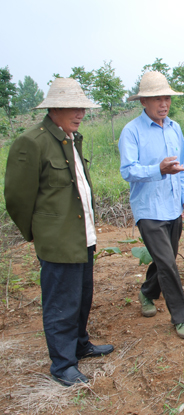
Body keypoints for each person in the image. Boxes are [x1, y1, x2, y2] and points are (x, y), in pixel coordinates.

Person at [4, 78, 114, 386]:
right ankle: (63, 365)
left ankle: (80, 345)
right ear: (54, 109)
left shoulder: (71, 139)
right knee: (61, 303)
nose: (80, 114)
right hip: (58, 240)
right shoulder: (32, 142)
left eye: (82, 108)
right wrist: (41, 234)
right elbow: (17, 198)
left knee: (82, 296)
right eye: (73, 108)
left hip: (82, 236)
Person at [119, 71, 184, 340]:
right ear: (143, 101)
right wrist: (158, 169)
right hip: (148, 208)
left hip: (172, 206)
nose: (164, 104)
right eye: (157, 99)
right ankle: (181, 319)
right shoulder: (131, 131)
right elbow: (128, 170)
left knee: (167, 259)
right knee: (167, 263)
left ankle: (147, 292)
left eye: (167, 98)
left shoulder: (175, 128)